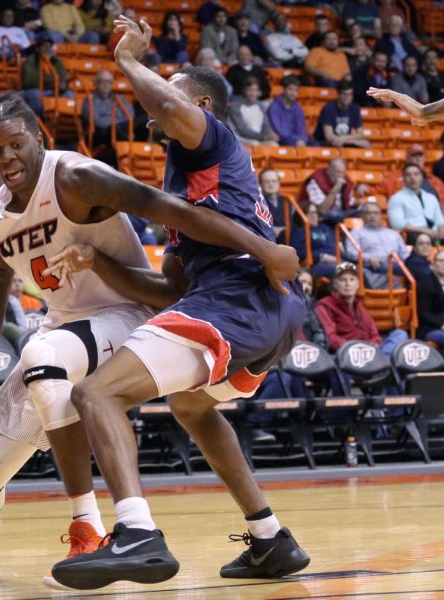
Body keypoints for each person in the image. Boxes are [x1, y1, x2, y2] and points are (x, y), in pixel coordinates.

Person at [0, 75, 301, 589]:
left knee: (47, 359)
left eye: (17, 144)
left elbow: (172, 211)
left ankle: (93, 529)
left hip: (126, 320)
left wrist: (265, 251)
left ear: (39, 138)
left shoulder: (76, 176)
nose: (8, 157)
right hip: (69, 334)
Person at [40, 18, 307, 589]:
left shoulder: (211, 138)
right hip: (259, 307)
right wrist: (100, 265)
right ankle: (270, 539)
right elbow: (171, 292)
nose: (155, 101)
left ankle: (136, 533)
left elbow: (173, 108)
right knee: (191, 406)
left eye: (172, 91)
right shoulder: (191, 175)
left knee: (95, 393)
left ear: (203, 104)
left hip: (242, 297)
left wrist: (131, 63)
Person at [315, 261, 407, 354]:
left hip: (368, 353)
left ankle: (382, 362)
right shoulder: (325, 306)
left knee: (400, 334)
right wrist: (355, 349)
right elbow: (330, 338)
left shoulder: (361, 309)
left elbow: (375, 336)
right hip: (346, 355)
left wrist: (371, 346)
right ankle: (384, 363)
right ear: (335, 284)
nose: (348, 284)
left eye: (352, 279)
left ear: (358, 284)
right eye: (343, 280)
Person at [348, 201, 410, 288]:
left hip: (397, 264)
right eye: (368, 213)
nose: (372, 216)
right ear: (362, 216)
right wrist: (368, 258)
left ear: (381, 215)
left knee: (417, 266)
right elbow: (351, 253)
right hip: (376, 265)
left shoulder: (393, 233)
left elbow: (404, 253)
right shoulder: (356, 233)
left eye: (376, 213)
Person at [388, 163, 444, 244]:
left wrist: (442, 231)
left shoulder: (431, 197)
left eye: (416, 174)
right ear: (404, 179)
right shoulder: (396, 198)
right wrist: (425, 231)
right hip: (413, 234)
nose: (412, 177)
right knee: (420, 238)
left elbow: (440, 221)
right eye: (408, 175)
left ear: (421, 177)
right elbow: (397, 224)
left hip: (434, 233)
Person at [415, 250, 444, 360]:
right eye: (441, 260)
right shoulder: (426, 283)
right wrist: (442, 325)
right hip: (431, 329)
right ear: (433, 264)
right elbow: (423, 313)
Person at [81, 70, 134, 151]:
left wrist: (115, 123)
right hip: (99, 134)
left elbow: (130, 116)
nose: (106, 84)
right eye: (103, 81)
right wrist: (117, 121)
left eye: (109, 81)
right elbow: (98, 122)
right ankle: (128, 151)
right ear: (96, 83)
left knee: (143, 121)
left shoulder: (120, 98)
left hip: (120, 130)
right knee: (117, 129)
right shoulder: (89, 100)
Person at [380, 144, 444, 201]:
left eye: (420, 156)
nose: (418, 159)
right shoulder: (393, 177)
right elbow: (378, 190)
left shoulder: (434, 180)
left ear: (424, 158)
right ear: (407, 158)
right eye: (414, 156)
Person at [21, 34, 71, 116]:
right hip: (37, 90)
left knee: (70, 94)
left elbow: (62, 77)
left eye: (49, 46)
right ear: (37, 49)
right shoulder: (30, 61)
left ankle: (63, 122)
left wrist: (64, 84)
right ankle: (40, 120)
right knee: (33, 94)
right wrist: (51, 82)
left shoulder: (57, 61)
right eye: (44, 46)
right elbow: (28, 82)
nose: (47, 49)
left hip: (54, 91)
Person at [314, 82, 369, 148]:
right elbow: (329, 136)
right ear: (338, 94)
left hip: (344, 140)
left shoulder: (355, 108)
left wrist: (344, 139)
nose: (347, 97)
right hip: (326, 142)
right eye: (344, 94)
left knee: (366, 143)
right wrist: (352, 141)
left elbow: (360, 134)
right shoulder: (329, 108)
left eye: (350, 94)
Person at [290, 201, 336, 279]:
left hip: (337, 260)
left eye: (315, 213)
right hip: (315, 265)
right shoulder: (299, 232)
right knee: (342, 269)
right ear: (301, 216)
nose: (313, 216)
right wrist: (322, 257)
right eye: (309, 213)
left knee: (358, 269)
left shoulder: (325, 228)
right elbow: (300, 252)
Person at [227, 79, 278, 146]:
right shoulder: (235, 106)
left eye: (255, 90)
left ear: (258, 92)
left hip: (258, 138)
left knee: (273, 145)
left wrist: (271, 134)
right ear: (244, 91)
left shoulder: (260, 106)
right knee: (254, 144)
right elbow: (242, 130)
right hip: (241, 138)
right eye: (249, 90)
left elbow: (266, 125)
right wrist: (264, 137)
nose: (252, 93)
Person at [267, 76, 311, 147]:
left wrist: (302, 139)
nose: (293, 93)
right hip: (281, 139)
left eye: (296, 90)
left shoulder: (298, 108)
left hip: (296, 139)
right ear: (284, 89)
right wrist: (296, 140)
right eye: (290, 89)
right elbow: (278, 129)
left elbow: (300, 129)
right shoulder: (274, 106)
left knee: (314, 144)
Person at [260, 169, 287, 240]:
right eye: (267, 181)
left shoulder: (288, 201)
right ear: (261, 184)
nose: (271, 184)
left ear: (279, 183)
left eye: (274, 181)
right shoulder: (257, 203)